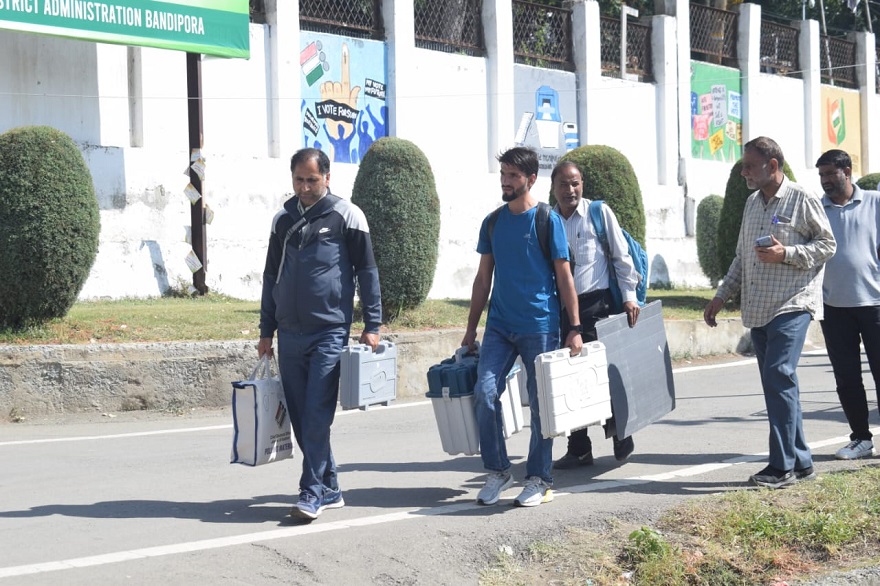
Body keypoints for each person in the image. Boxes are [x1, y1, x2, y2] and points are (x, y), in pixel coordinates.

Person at [704, 136, 835, 489]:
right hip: (759, 306)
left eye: (749, 165)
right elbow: (742, 257)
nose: (743, 171)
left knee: (779, 374)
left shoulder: (801, 198)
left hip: (794, 302)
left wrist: (787, 254)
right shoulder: (751, 203)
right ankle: (802, 461)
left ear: (772, 166)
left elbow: (827, 245)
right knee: (778, 384)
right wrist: (720, 297)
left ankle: (782, 467)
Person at [258, 148, 382, 520]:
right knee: (298, 416)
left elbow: (368, 272)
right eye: (299, 179)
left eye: (312, 180)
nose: (305, 187)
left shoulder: (347, 215)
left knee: (317, 414)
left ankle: (310, 492)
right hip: (290, 334)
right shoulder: (283, 219)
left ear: (327, 178)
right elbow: (270, 277)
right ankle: (329, 487)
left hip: (329, 331)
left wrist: (372, 324)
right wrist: (266, 330)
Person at [462, 147, 583, 507]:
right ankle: (498, 471)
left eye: (513, 175)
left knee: (541, 407)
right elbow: (483, 278)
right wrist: (471, 330)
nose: (506, 181)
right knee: (484, 394)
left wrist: (573, 327)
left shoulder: (547, 220)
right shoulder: (494, 222)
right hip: (499, 325)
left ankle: (539, 479)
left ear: (531, 180)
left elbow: (564, 277)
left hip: (540, 325)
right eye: (503, 174)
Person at [550, 161, 641, 470]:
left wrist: (629, 297)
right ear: (554, 187)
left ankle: (620, 433)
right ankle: (578, 448)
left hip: (597, 305)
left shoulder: (599, 214)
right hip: (561, 310)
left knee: (600, 374)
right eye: (564, 184)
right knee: (567, 378)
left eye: (575, 183)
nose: (570, 189)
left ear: (582, 185)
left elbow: (620, 255)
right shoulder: (548, 220)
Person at [816, 149, 880, 460]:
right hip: (833, 308)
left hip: (875, 304)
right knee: (847, 377)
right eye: (822, 175)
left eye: (830, 174)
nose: (826, 180)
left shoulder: (875, 203)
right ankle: (861, 439)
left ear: (848, 171)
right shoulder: (817, 209)